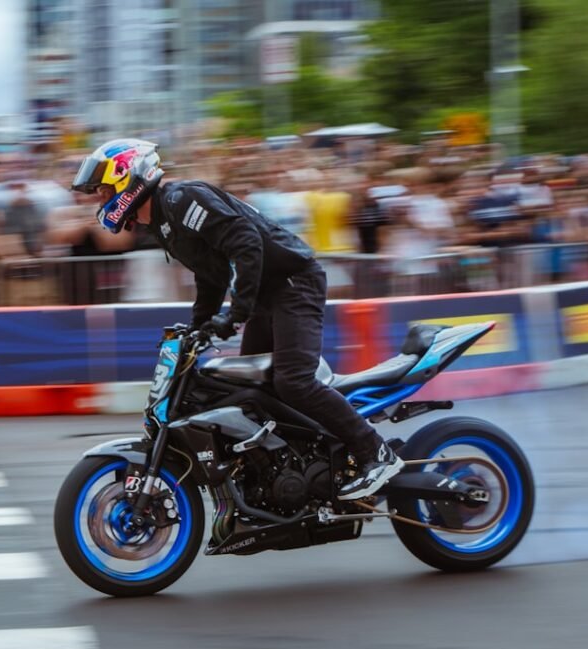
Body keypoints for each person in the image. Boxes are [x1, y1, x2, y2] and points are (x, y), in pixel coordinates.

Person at [70, 138, 401, 500]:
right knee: (248, 390)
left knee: (293, 381)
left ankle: (375, 452)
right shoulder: (164, 223)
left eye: (102, 190)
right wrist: (199, 326)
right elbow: (209, 276)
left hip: (293, 283)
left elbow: (246, 242)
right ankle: (304, 467)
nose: (99, 200)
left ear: (126, 178)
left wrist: (236, 314)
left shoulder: (182, 199)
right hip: (265, 293)